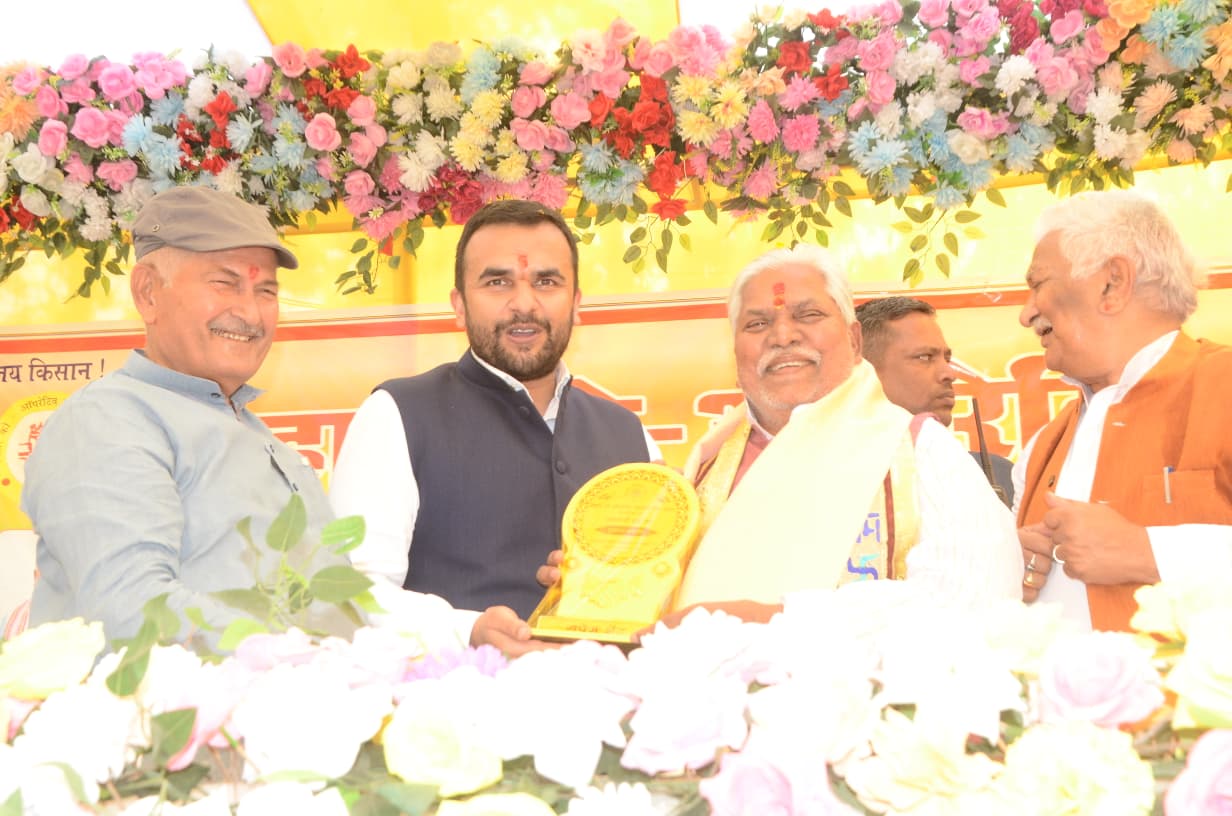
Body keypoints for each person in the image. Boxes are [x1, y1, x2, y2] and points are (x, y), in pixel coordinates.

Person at [20, 187, 534, 655]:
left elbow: (337, 601)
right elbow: (132, 613)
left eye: (265, 291)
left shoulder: (263, 440)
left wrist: (464, 630)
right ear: (148, 293)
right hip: (164, 725)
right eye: (224, 283)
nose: (250, 313)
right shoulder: (108, 421)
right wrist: (303, 654)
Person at [536, 245, 1023, 620]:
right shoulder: (703, 473)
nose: (783, 335)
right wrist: (601, 582)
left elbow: (980, 605)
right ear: (735, 352)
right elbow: (663, 613)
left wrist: (778, 621)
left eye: (808, 315)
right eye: (757, 323)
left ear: (854, 340)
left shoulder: (920, 451)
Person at [331, 199, 659, 623]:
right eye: (498, 282)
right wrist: (469, 631)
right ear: (459, 305)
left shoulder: (630, 436)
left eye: (546, 282)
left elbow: (667, 586)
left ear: (577, 302)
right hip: (450, 668)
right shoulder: (396, 416)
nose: (524, 304)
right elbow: (351, 591)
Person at [1013, 190, 1232, 632]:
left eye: (1038, 284)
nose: (1026, 313)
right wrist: (1011, 561)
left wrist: (1148, 552)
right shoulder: (1043, 445)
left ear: (1112, 283)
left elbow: (1140, 552)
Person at [856, 296, 1014, 505]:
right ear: (865, 370)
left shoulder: (999, 476)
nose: (949, 374)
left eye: (946, 359)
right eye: (925, 357)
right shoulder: (828, 475)